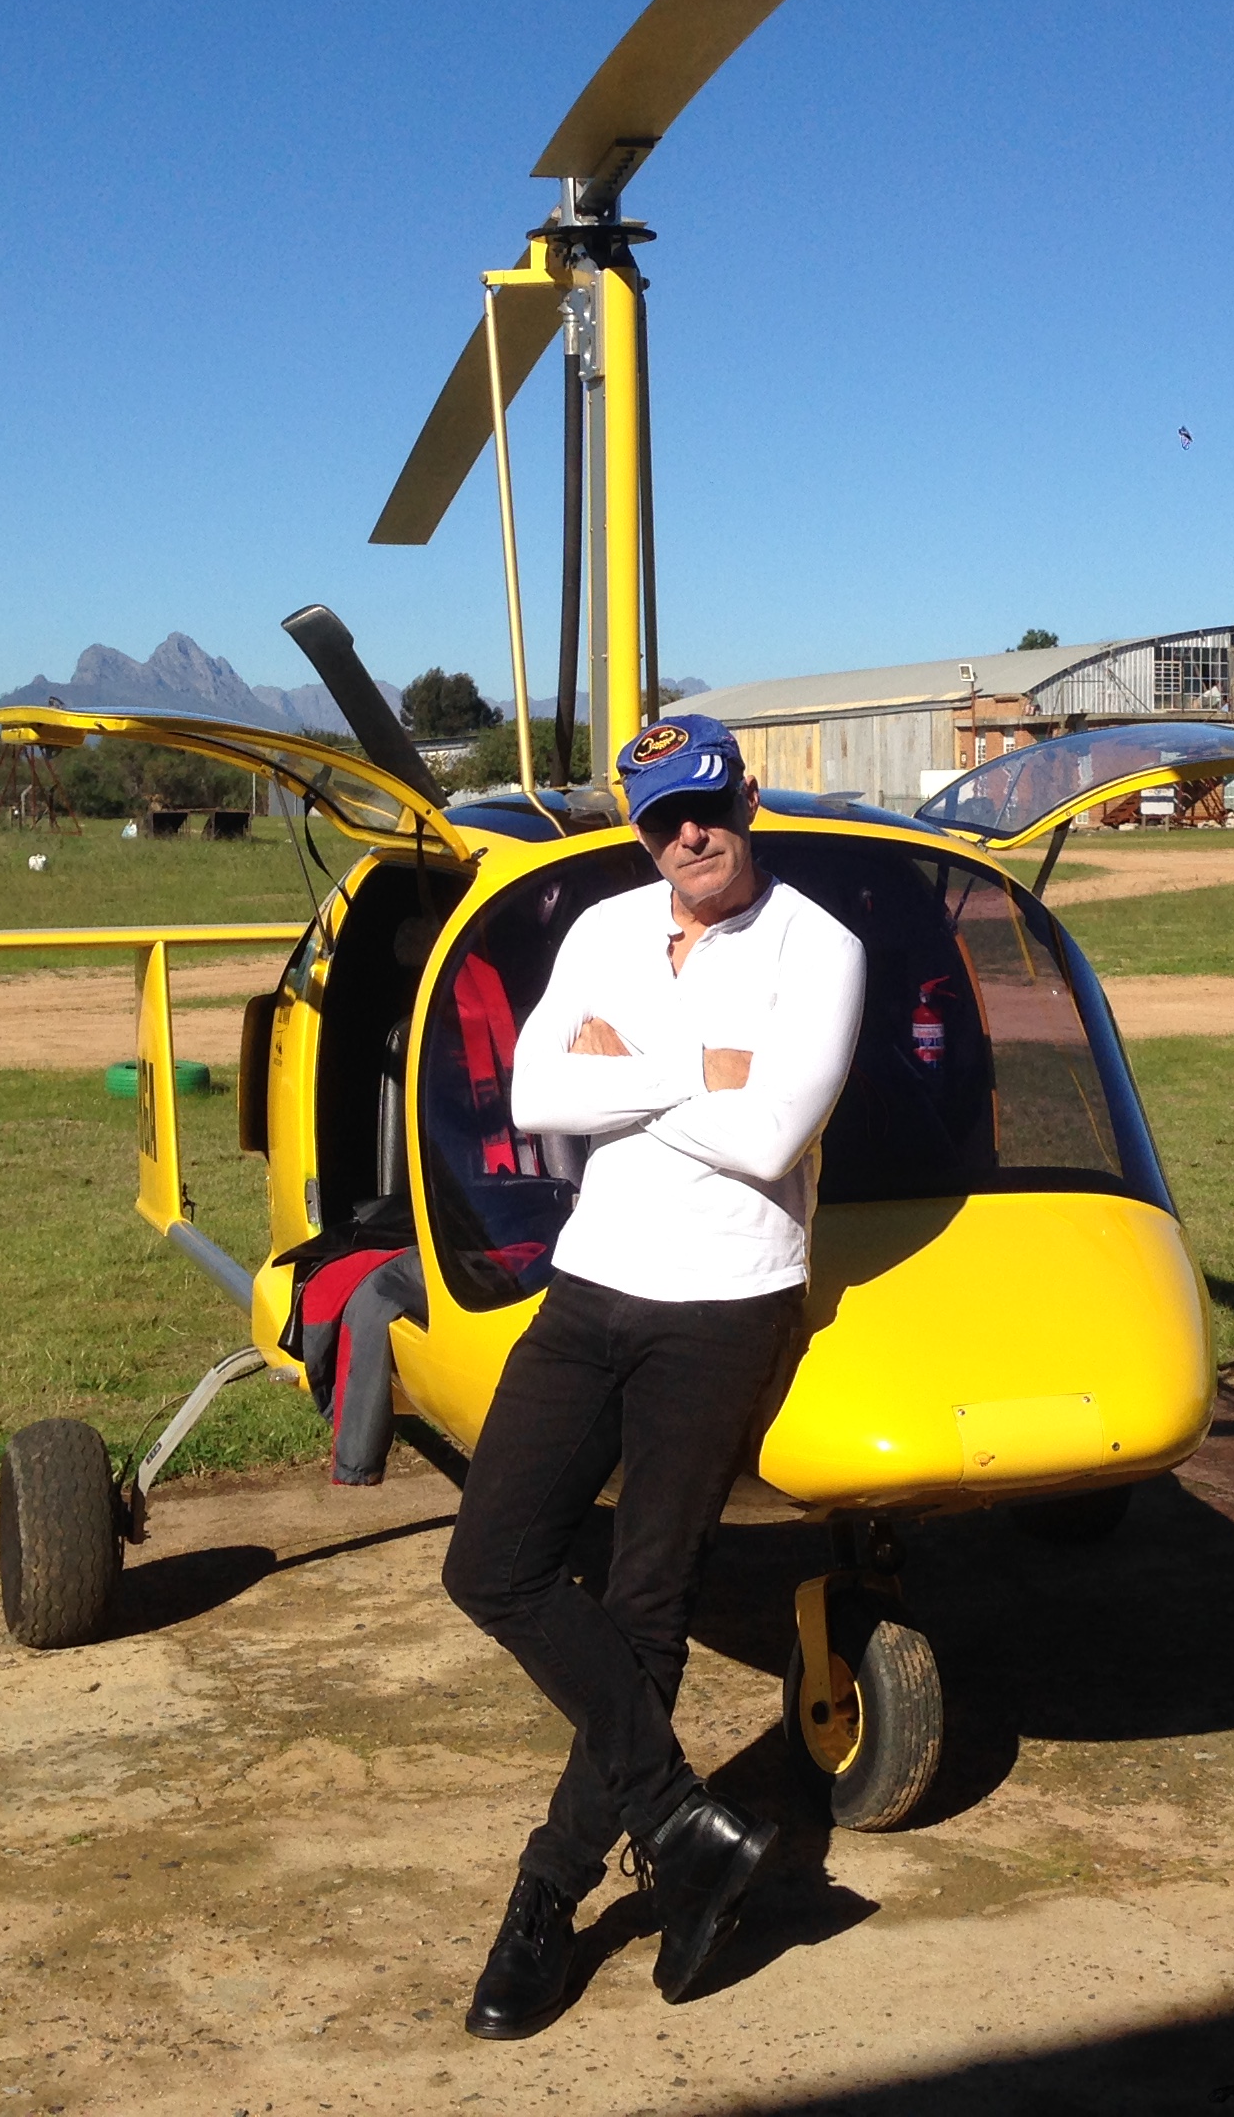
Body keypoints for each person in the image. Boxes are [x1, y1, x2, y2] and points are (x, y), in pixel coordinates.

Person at [441, 713, 867, 2038]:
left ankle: (549, 1895)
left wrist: (626, 1070)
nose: (691, 833)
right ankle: (684, 1823)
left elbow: (772, 1136)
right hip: (592, 1282)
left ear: (747, 797)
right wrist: (708, 1070)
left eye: (709, 805)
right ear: (638, 831)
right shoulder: (603, 932)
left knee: (646, 1608)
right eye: (662, 818)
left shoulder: (823, 948)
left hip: (725, 1308)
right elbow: (529, 1096)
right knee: (491, 1565)